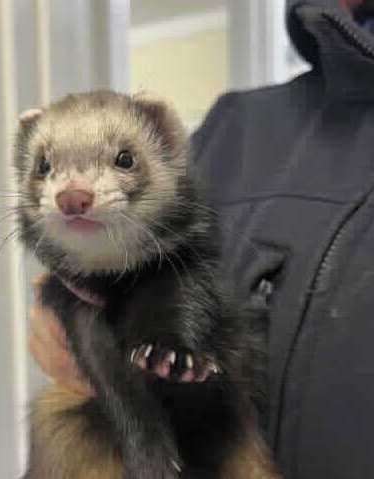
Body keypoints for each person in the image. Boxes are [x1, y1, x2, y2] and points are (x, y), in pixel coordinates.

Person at [28, 1, 374, 477]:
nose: (73, 192)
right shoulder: (237, 125)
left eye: (124, 161)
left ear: (160, 141)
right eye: (46, 168)